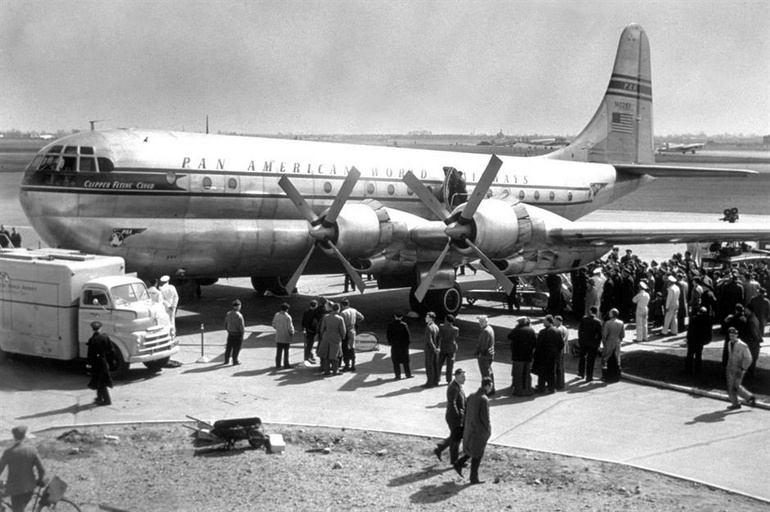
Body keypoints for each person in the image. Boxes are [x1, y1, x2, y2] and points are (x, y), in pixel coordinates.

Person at [453, 377, 493, 485]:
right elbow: (485, 417)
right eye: (491, 386)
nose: (491, 388)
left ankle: (459, 463)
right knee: (478, 453)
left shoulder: (471, 396)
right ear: (487, 386)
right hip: (479, 431)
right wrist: (488, 430)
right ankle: (473, 478)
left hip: (470, 428)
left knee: (472, 449)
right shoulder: (484, 399)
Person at [0, 426, 46, 512]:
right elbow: (42, 469)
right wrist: (40, 480)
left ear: (13, 437)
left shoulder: (8, 452)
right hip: (30, 487)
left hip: (15, 490)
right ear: (24, 436)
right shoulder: (32, 450)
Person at [434, 368, 467, 464]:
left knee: (455, 436)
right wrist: (458, 417)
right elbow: (452, 404)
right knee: (456, 439)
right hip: (454, 417)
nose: (465, 379)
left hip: (456, 416)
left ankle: (440, 448)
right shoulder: (454, 387)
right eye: (463, 377)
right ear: (456, 376)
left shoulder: (457, 385)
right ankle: (454, 460)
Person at [725, 327, 756, 410]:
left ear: (737, 335)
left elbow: (749, 358)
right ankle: (740, 402)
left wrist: (743, 368)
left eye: (733, 335)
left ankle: (747, 398)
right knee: (732, 386)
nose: (731, 337)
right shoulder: (729, 343)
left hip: (739, 369)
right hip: (730, 368)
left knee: (734, 386)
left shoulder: (743, 345)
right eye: (730, 335)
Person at [86, 321, 115, 405]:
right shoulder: (105, 337)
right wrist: (111, 361)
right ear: (100, 328)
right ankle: (99, 398)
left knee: (101, 382)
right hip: (104, 361)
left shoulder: (92, 340)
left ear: (92, 329)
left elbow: (90, 354)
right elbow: (111, 350)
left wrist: (89, 364)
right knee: (100, 381)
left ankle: (107, 400)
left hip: (96, 364)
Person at [507, 316, 537, 396]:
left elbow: (509, 336)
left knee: (518, 374)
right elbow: (535, 343)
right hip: (528, 356)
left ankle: (518, 391)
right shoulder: (531, 330)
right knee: (527, 374)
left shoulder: (516, 330)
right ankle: (527, 390)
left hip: (518, 356)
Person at [533, 315, 561, 394]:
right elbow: (561, 344)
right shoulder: (557, 331)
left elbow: (538, 345)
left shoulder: (543, 332)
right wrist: (556, 352)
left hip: (543, 355)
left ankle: (541, 388)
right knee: (551, 372)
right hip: (552, 356)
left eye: (544, 320)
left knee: (542, 373)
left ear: (548, 321)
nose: (543, 322)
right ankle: (551, 388)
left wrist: (536, 355)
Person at [317, 302, 346, 376]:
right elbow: (343, 330)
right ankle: (335, 371)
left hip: (326, 337)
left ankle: (327, 371)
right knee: (335, 355)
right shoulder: (340, 319)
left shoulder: (326, 317)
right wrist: (342, 337)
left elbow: (322, 328)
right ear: (338, 309)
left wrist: (324, 335)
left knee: (326, 354)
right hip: (336, 337)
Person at [577, 306, 603, 381]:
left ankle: (581, 373)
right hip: (592, 343)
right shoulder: (598, 322)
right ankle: (589, 376)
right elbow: (599, 335)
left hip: (583, 342)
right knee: (590, 360)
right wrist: (597, 344)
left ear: (590, 311)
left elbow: (580, 331)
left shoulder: (584, 319)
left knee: (582, 358)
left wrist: (580, 340)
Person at [385, 310, 412, 379]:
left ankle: (397, 375)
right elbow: (407, 336)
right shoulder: (404, 325)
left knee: (395, 362)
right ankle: (408, 374)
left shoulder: (390, 325)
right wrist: (407, 344)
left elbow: (388, 335)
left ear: (395, 317)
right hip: (403, 346)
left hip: (395, 346)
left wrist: (391, 343)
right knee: (406, 361)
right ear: (402, 317)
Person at [340, 298, 364, 372]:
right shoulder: (354, 310)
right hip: (353, 330)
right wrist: (356, 323)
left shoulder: (343, 313)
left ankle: (347, 365)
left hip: (346, 331)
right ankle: (353, 365)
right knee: (352, 347)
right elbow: (361, 317)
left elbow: (341, 323)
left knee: (345, 348)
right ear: (348, 304)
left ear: (341, 305)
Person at [686, 307, 712, 374]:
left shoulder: (694, 319)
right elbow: (708, 332)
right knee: (698, 355)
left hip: (692, 339)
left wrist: (687, 338)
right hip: (700, 340)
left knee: (690, 355)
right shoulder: (707, 320)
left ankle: (688, 369)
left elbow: (689, 330)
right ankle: (698, 369)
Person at [601, 308, 624, 383]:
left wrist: (604, 343)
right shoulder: (621, 322)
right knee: (617, 358)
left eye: (610, 312)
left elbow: (604, 335)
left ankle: (606, 376)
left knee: (606, 358)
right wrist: (619, 340)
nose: (609, 313)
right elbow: (622, 334)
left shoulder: (607, 323)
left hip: (609, 341)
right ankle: (617, 375)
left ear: (613, 314)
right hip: (617, 342)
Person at [475, 315, 496, 396]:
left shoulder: (485, 331)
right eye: (479, 321)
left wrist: (479, 353)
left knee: (485, 374)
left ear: (486, 322)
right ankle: (491, 388)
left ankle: (487, 390)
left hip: (484, 356)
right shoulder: (490, 329)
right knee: (489, 372)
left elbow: (483, 345)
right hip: (489, 355)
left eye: (482, 322)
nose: (480, 323)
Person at [271, 303, 295, 369]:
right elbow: (290, 327)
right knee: (286, 352)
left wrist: (278, 328)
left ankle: (278, 364)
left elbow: (273, 324)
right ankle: (286, 364)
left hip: (279, 336)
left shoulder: (277, 315)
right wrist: (292, 333)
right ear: (287, 309)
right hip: (286, 337)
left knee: (279, 351)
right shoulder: (288, 317)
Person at [437, 315, 459, 384]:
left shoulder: (442, 327)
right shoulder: (455, 329)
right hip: (451, 348)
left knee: (439, 364)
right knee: (450, 365)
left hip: (443, 347)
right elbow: (456, 336)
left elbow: (440, 335)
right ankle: (449, 380)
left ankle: (437, 378)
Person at [224, 299, 245, 366]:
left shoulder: (228, 314)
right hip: (237, 334)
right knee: (236, 348)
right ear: (239, 306)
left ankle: (226, 360)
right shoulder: (239, 316)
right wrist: (242, 334)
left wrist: (228, 330)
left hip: (230, 333)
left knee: (228, 348)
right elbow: (241, 327)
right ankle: (235, 361)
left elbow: (225, 324)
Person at [422, 312, 440, 388]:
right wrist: (438, 347)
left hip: (430, 350)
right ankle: (436, 380)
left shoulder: (429, 327)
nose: (425, 318)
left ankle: (430, 382)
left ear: (431, 318)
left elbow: (429, 340)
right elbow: (439, 339)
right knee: (435, 365)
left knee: (429, 366)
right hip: (435, 350)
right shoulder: (436, 327)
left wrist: (434, 348)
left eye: (427, 317)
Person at [301, 299, 323, 364]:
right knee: (310, 345)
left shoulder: (306, 312)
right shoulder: (316, 313)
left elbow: (303, 321)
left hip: (308, 330)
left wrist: (303, 329)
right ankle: (307, 358)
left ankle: (310, 356)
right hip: (312, 330)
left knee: (309, 344)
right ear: (315, 306)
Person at [553, 315, 568, 390]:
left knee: (558, 367)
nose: (553, 322)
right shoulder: (565, 328)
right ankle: (560, 383)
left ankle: (558, 383)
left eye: (555, 320)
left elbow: (560, 341)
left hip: (559, 350)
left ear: (558, 321)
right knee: (561, 366)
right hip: (563, 349)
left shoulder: (559, 329)